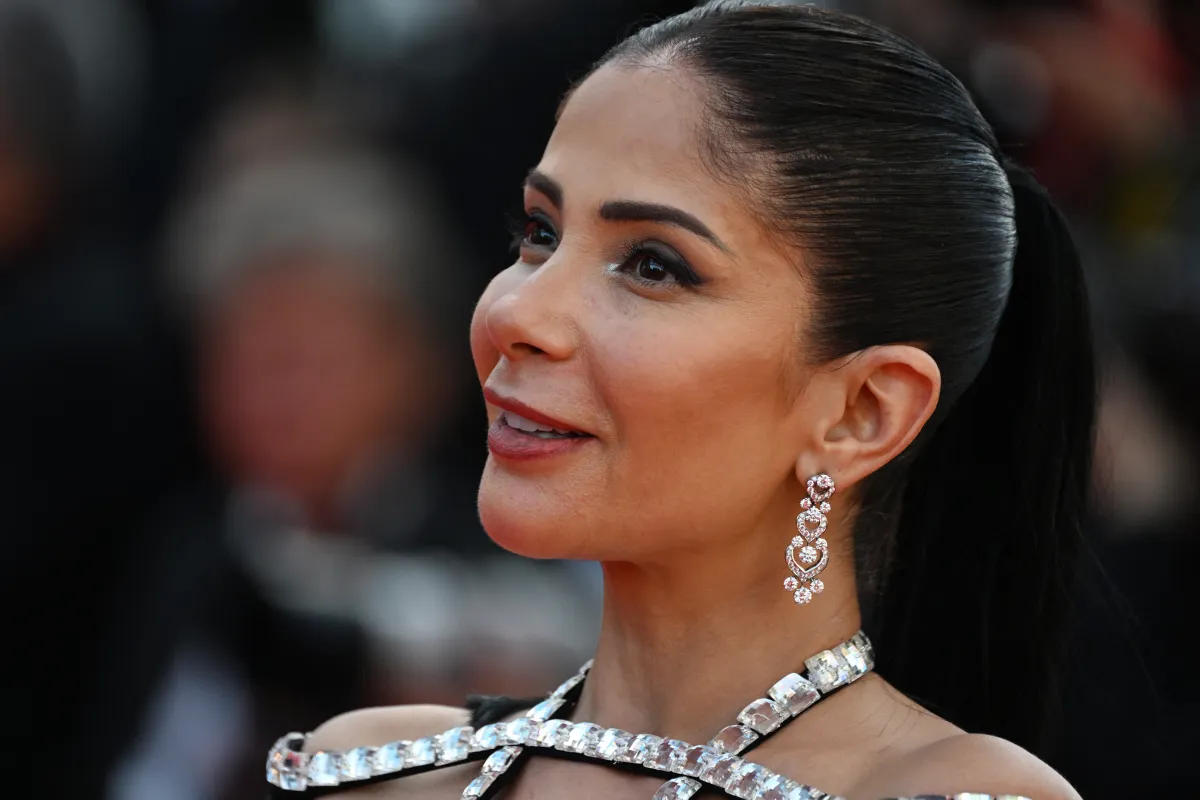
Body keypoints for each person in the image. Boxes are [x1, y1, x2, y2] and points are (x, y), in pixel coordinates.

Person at [265, 2, 1095, 798]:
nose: (515, 313)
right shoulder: (371, 772)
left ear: (861, 412)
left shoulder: (942, 793)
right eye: (539, 233)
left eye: (654, 266)